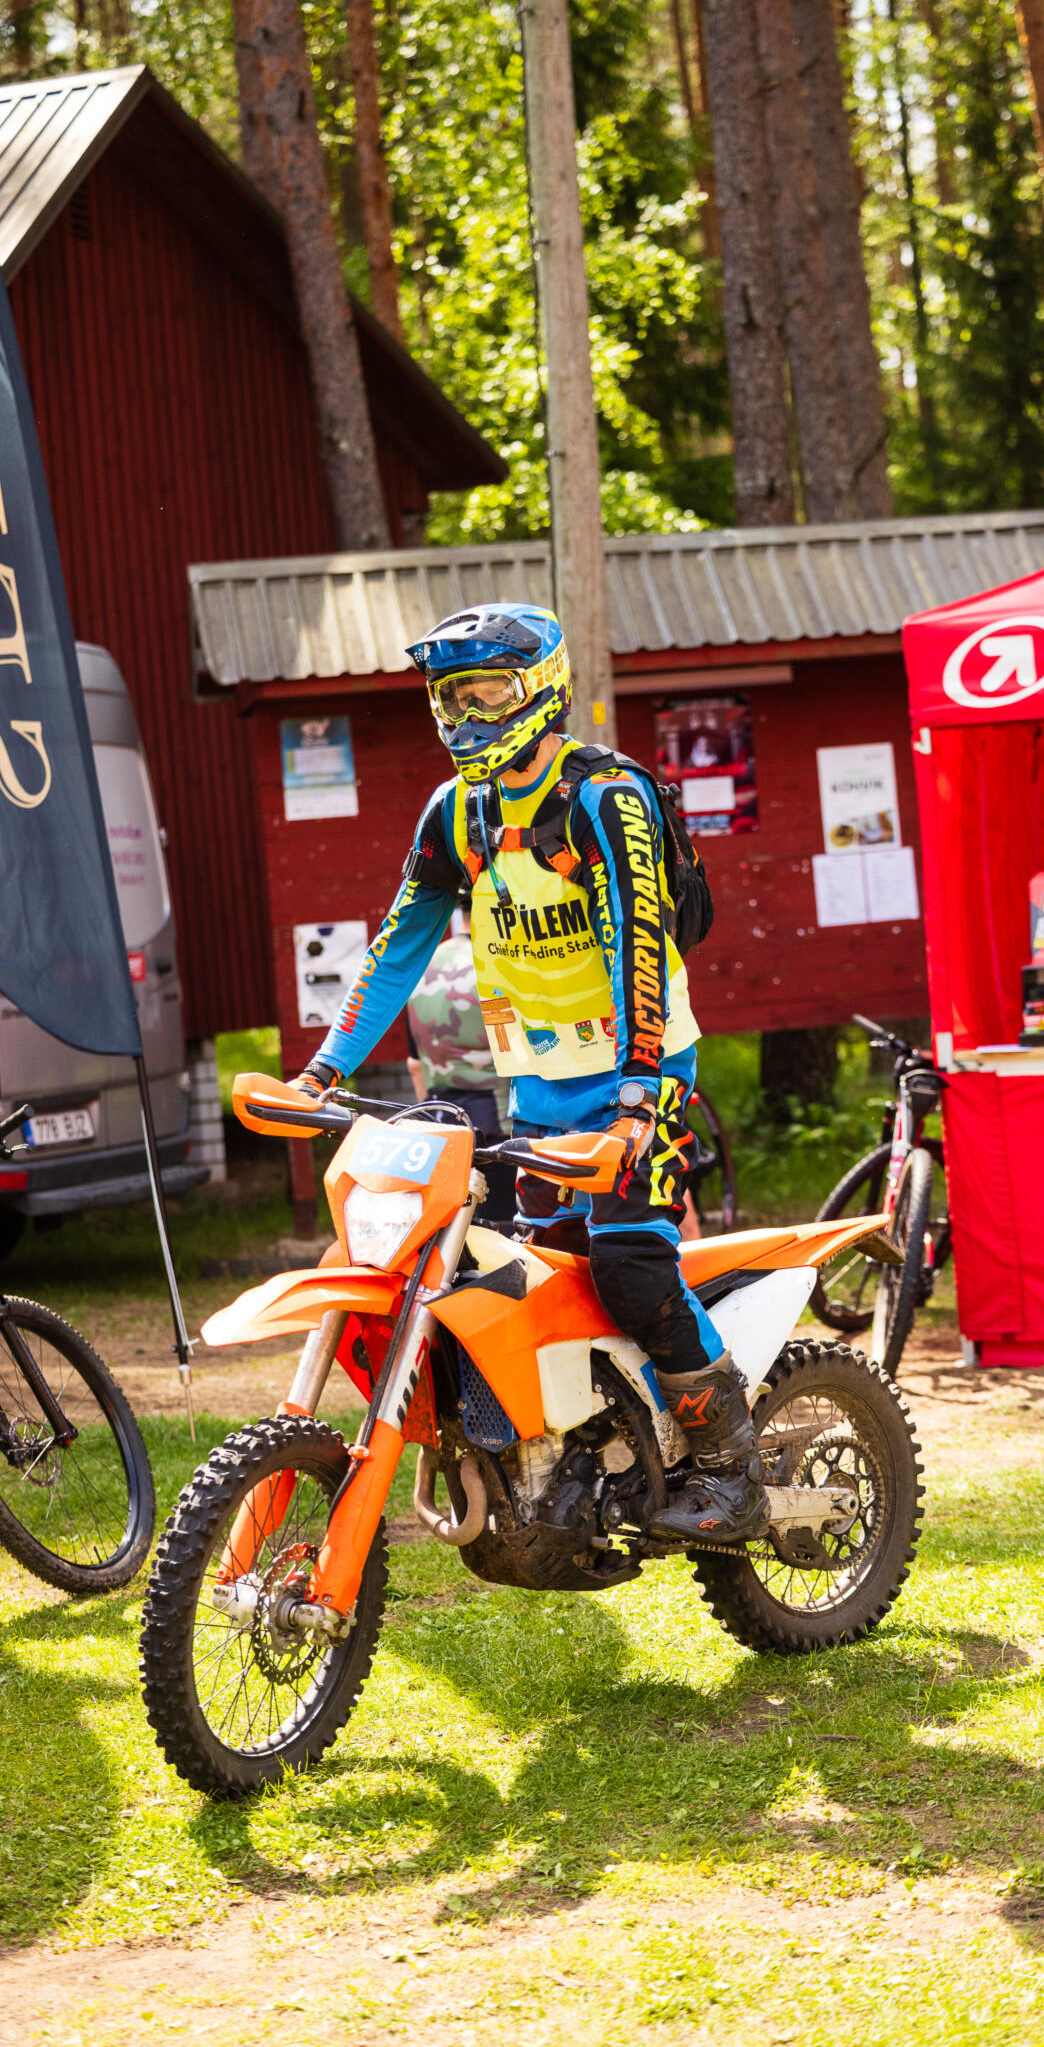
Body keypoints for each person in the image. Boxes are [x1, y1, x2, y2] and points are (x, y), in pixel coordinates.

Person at [293, 601, 767, 1542]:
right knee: (531, 1274)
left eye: (488, 693)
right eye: (451, 698)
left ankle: (731, 1469)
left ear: (542, 690)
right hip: (537, 1084)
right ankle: (585, 1460)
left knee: (631, 1265)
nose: (468, 716)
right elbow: (397, 947)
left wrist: (638, 1092)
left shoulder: (605, 797)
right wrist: (321, 1071)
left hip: (639, 1072)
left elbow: (639, 940)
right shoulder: (455, 812)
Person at [405, 909, 515, 1226]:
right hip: (499, 1126)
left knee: (452, 1230)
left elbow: (415, 1064)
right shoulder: (502, 961)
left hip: (441, 1122)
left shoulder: (425, 965)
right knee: (501, 1230)